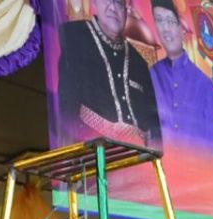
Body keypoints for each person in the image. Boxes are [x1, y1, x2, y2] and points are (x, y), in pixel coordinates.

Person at [56, 0, 162, 148]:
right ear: (94, 3)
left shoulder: (140, 63)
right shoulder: (74, 37)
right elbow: (66, 111)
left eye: (119, 3)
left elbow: (154, 126)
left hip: (137, 158)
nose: (112, 7)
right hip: (93, 153)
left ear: (126, 10)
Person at [149, 0, 213, 159]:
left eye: (170, 21)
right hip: (159, 176)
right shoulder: (151, 76)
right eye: (159, 20)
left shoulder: (204, 84)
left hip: (196, 178)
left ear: (182, 28)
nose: (165, 29)